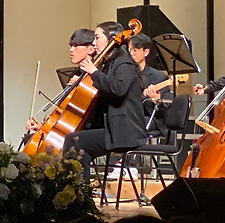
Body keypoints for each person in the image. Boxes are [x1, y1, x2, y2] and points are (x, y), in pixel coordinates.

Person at [32, 22, 145, 183]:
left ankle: (78, 191)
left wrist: (94, 72)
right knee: (78, 145)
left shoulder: (124, 63)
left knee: (74, 141)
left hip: (124, 132)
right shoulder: (109, 64)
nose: (94, 42)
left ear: (111, 39)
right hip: (111, 129)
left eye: (97, 37)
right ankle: (79, 189)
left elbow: (118, 89)